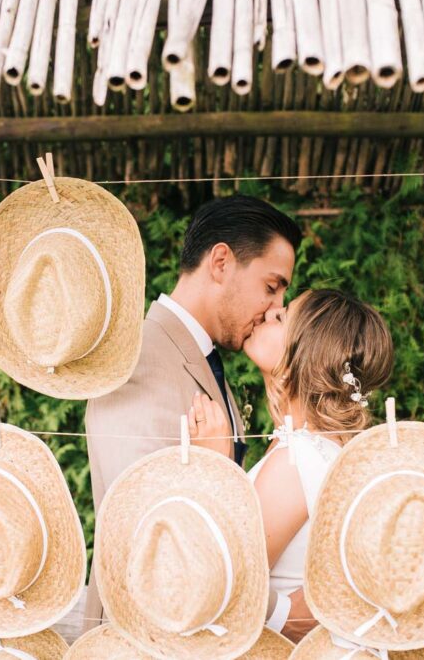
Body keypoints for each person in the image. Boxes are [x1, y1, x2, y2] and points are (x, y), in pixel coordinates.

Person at [83, 195, 302, 632]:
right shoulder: (141, 360)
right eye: (271, 286)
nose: (276, 306)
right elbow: (147, 538)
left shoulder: (200, 358)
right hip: (144, 636)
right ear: (221, 262)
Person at [189, 288, 395, 640]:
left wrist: (212, 466)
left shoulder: (299, 459)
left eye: (282, 317)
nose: (269, 312)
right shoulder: (315, 450)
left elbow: (222, 581)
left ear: (311, 353)